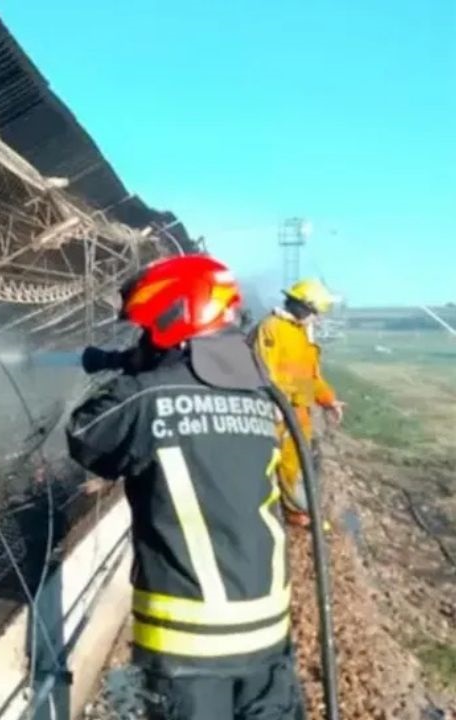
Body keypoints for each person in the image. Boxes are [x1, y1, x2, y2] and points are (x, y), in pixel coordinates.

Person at [68, 254, 305, 720]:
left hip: (189, 647)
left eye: (145, 330)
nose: (142, 339)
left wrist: (134, 374)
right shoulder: (259, 397)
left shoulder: (148, 395)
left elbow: (86, 436)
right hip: (268, 633)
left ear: (173, 317)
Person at [251, 278, 345, 528]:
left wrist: (328, 399)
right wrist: (276, 406)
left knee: (296, 465)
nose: (318, 318)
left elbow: (311, 378)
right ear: (303, 307)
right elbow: (265, 373)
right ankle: (292, 513)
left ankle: (297, 511)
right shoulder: (271, 328)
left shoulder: (301, 333)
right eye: (316, 312)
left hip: (299, 412)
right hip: (279, 413)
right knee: (274, 466)